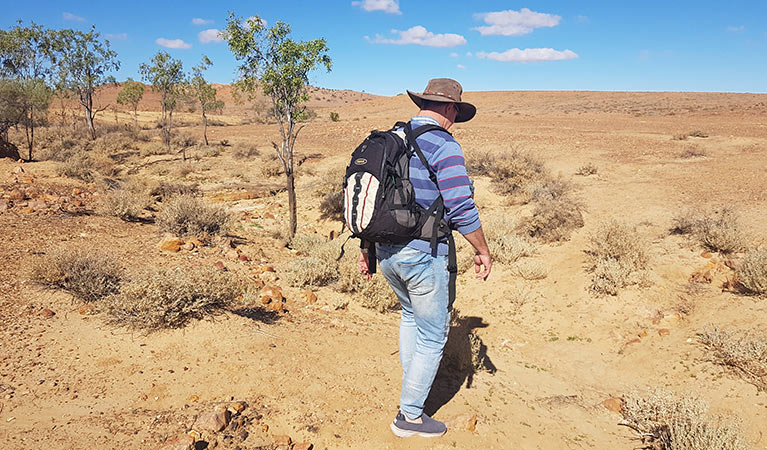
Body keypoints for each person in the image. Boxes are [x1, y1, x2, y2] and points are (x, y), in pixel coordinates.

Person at [358, 78, 492, 438]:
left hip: (387, 252)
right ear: (450, 109)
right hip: (424, 255)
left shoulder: (392, 138)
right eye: (456, 113)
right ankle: (410, 417)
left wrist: (366, 248)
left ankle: (411, 387)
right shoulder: (443, 145)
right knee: (433, 336)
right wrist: (481, 249)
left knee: (409, 317)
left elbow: (377, 200)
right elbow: (461, 205)